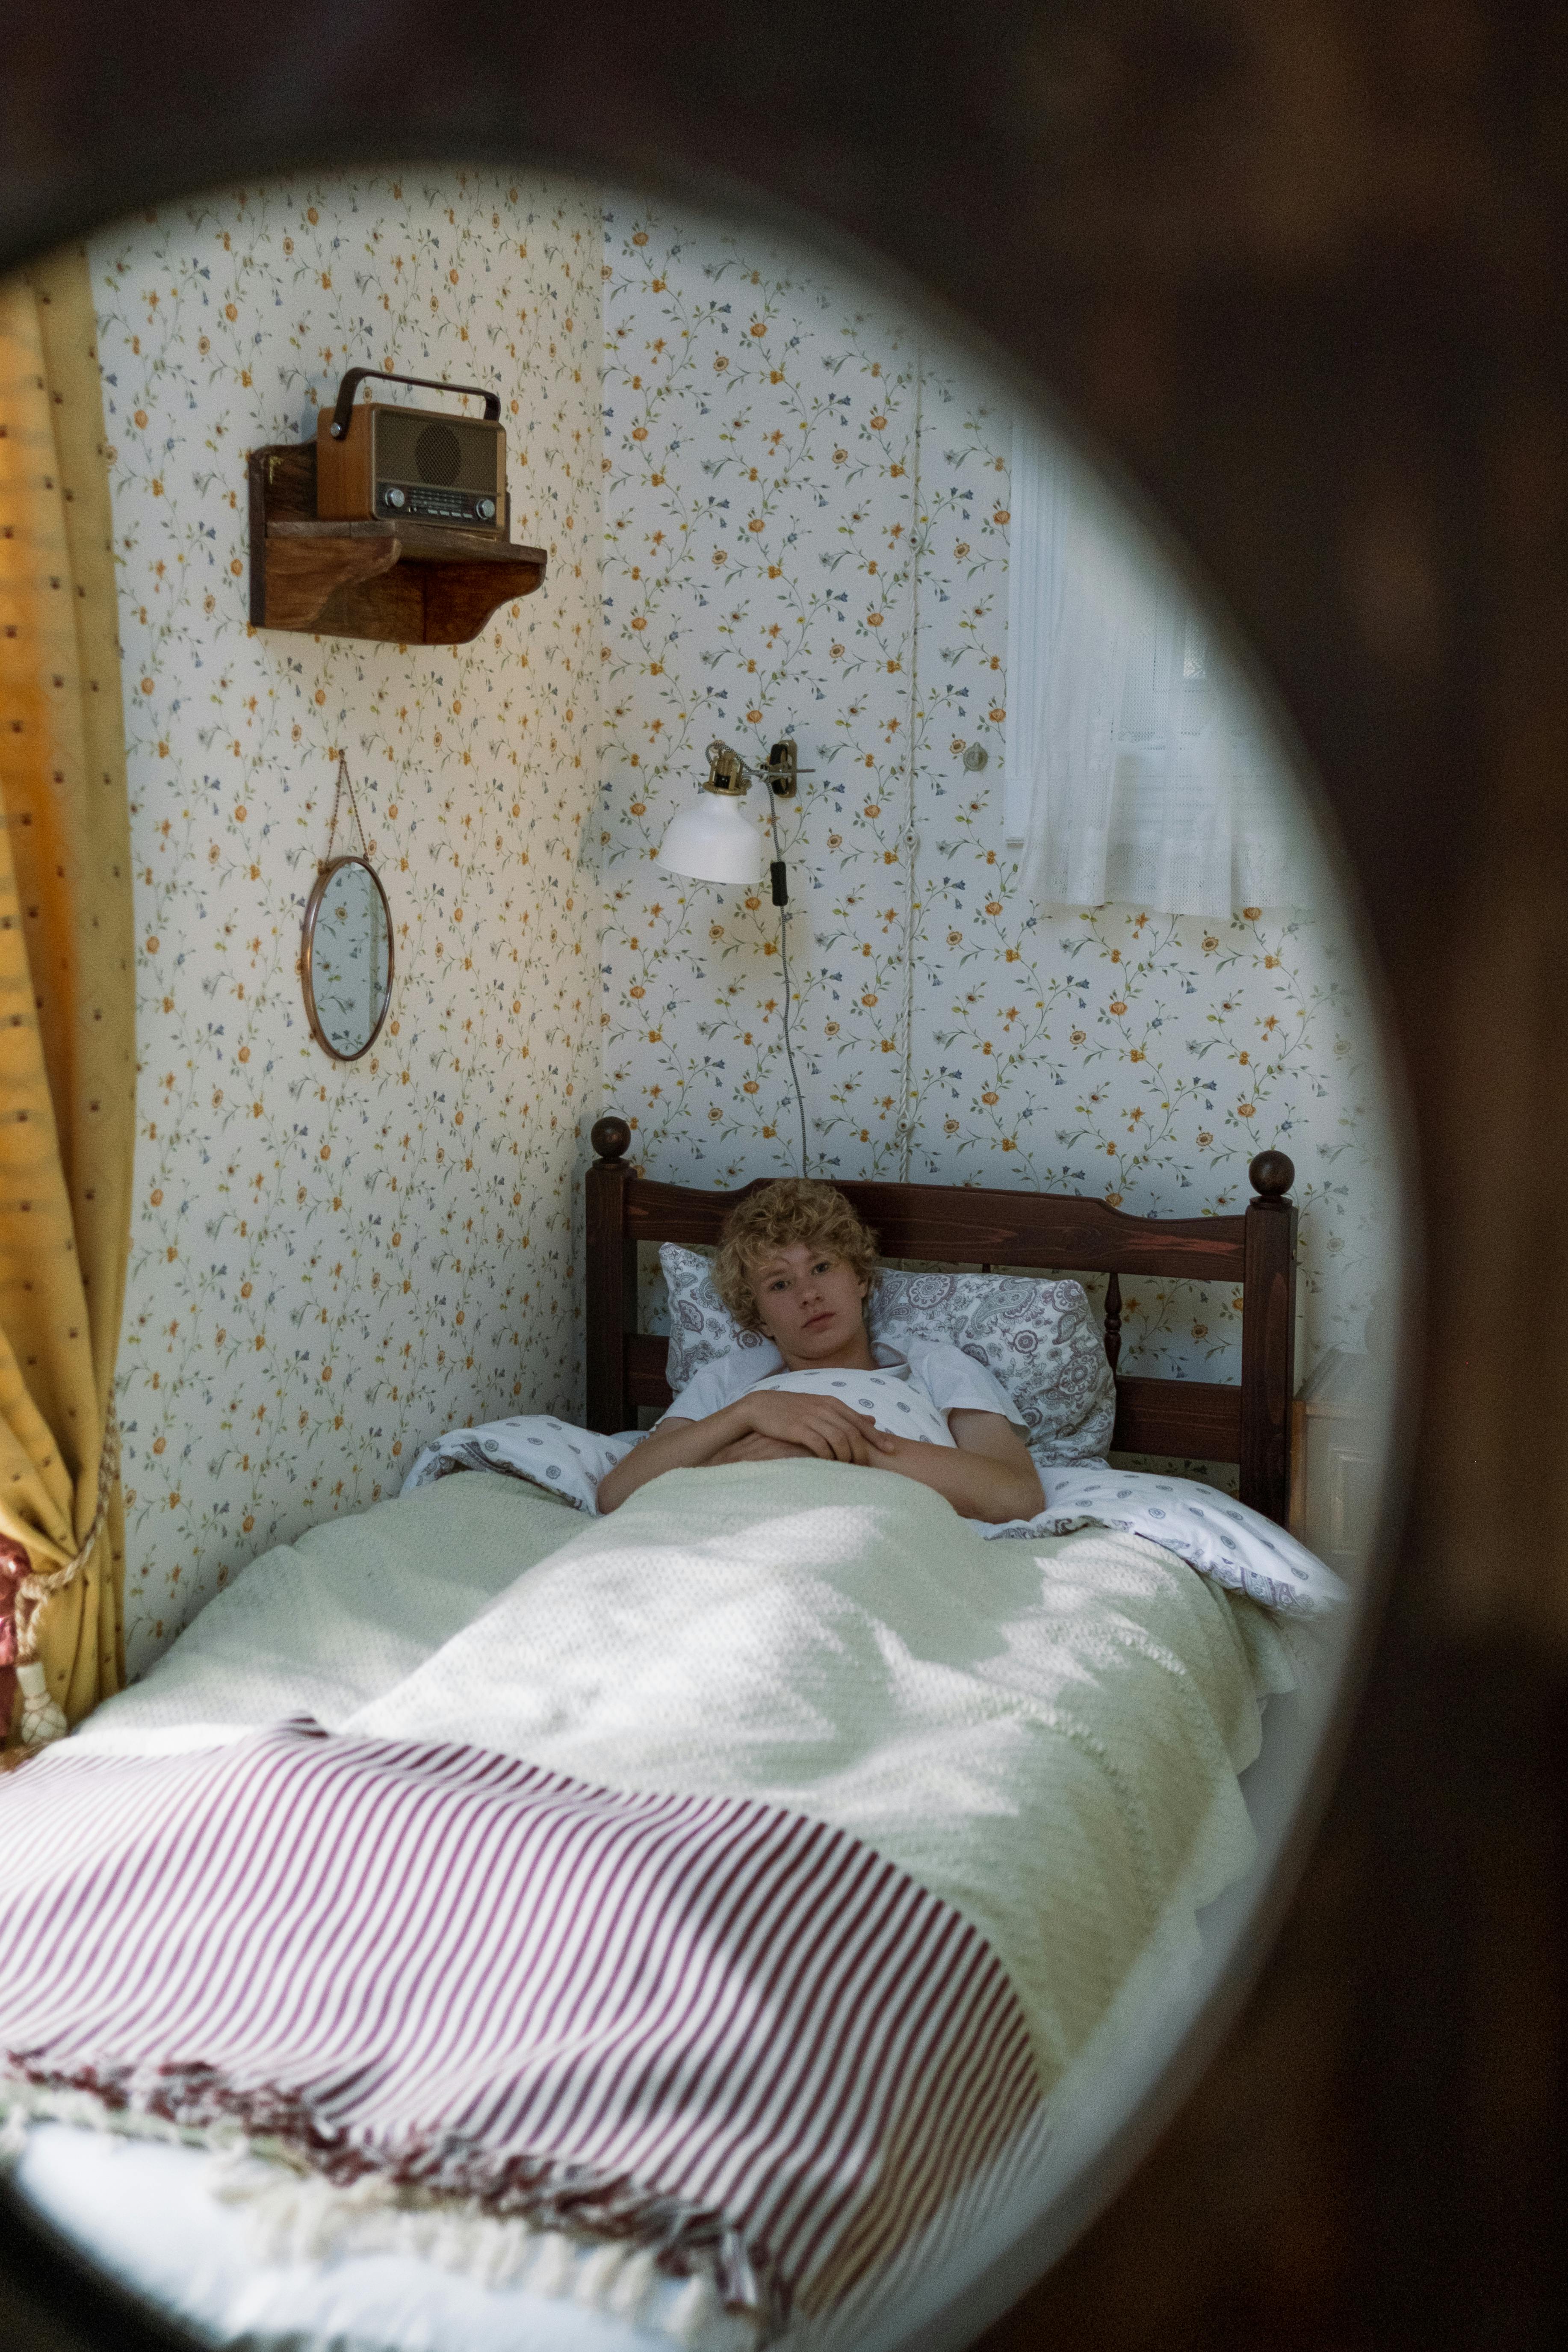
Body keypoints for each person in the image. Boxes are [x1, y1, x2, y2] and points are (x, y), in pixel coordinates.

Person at [596, 1179, 1045, 1522]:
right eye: (779, 1283)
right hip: (731, 1518)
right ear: (758, 1320)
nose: (807, 1294)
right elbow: (617, 1494)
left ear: (862, 1278)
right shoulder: (733, 1378)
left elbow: (1016, 1496)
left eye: (823, 1267)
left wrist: (842, 1446)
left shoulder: (932, 1365)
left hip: (876, 1524)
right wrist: (750, 1413)